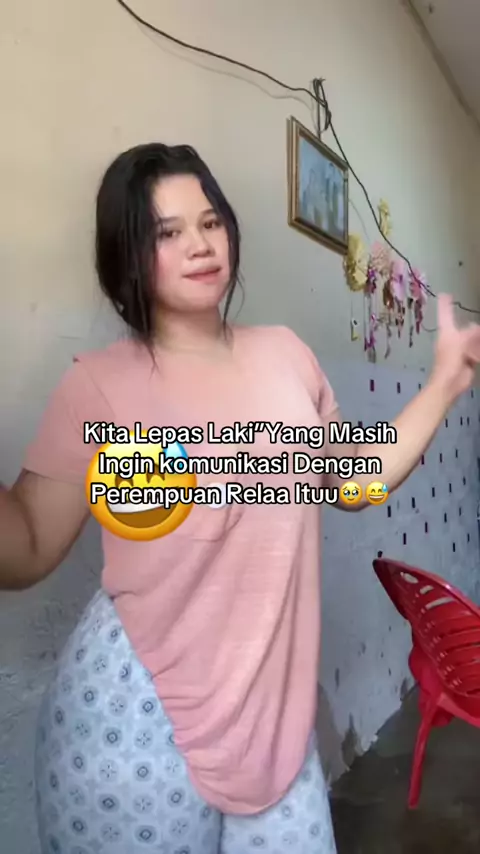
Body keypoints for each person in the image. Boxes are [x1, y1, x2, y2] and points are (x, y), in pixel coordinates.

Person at [1, 142, 480, 854]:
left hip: (274, 722)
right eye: (167, 233)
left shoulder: (286, 355)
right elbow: (28, 547)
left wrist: (443, 384)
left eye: (210, 221)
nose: (200, 245)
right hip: (139, 716)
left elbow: (355, 478)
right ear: (127, 254)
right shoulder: (98, 385)